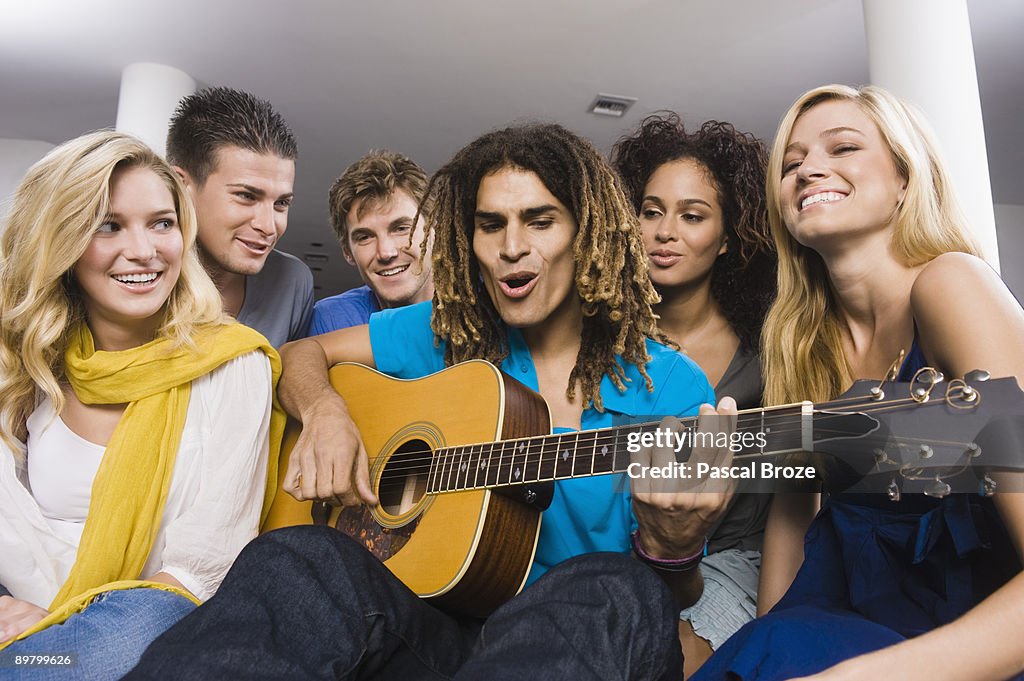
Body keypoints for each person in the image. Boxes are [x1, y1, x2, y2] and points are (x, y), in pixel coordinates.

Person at [127, 123, 737, 681]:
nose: (511, 247)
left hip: (574, 646)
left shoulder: (674, 387)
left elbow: (672, 596)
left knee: (611, 585)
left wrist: (671, 545)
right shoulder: (448, 330)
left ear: (590, 234)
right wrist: (325, 412)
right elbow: (301, 354)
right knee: (300, 554)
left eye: (540, 220)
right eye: (490, 224)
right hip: (432, 630)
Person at [692, 85, 1024, 680]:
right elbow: (789, 560)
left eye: (843, 147)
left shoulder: (952, 286)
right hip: (833, 637)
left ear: (905, 179)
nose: (808, 169)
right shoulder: (801, 352)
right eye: (791, 164)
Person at [0, 131, 284, 679]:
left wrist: (59, 633)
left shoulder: (232, 363)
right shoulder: (29, 363)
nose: (144, 250)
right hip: (27, 612)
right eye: (109, 225)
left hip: (146, 622)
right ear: (60, 240)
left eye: (162, 222)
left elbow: (204, 563)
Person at [612, 113, 777, 675]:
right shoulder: (596, 337)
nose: (665, 232)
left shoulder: (767, 350)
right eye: (651, 211)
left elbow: (796, 494)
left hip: (730, 559)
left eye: (692, 216)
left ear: (728, 236)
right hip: (621, 552)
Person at [167, 86, 313, 346]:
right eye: (247, 196)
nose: (269, 227)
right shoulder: (140, 276)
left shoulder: (292, 281)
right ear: (180, 186)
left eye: (281, 203)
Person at [311, 150, 434, 334]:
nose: (386, 252)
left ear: (435, 229)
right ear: (347, 251)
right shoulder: (333, 319)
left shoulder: (484, 305)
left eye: (401, 228)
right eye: (365, 237)